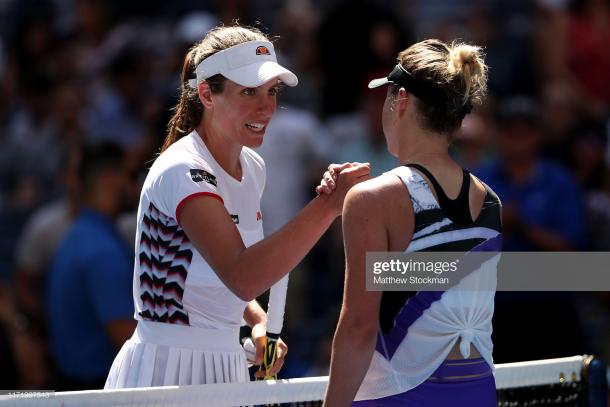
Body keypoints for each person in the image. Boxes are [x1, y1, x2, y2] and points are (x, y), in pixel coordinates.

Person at [105, 25, 369, 389]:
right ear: (206, 95)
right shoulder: (183, 169)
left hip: (228, 366)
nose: (266, 107)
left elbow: (215, 277)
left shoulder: (253, 167)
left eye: (272, 92)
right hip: (164, 372)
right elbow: (242, 274)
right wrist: (326, 207)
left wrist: (256, 319)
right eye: (248, 92)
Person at [320, 39, 503, 406]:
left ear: (400, 101)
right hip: (478, 391)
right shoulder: (490, 200)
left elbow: (359, 328)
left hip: (400, 395)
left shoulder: (373, 198)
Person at [46, 142, 135, 390]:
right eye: (130, 175)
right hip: (95, 392)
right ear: (109, 179)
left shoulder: (80, 234)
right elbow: (128, 341)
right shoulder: (101, 251)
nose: (136, 185)